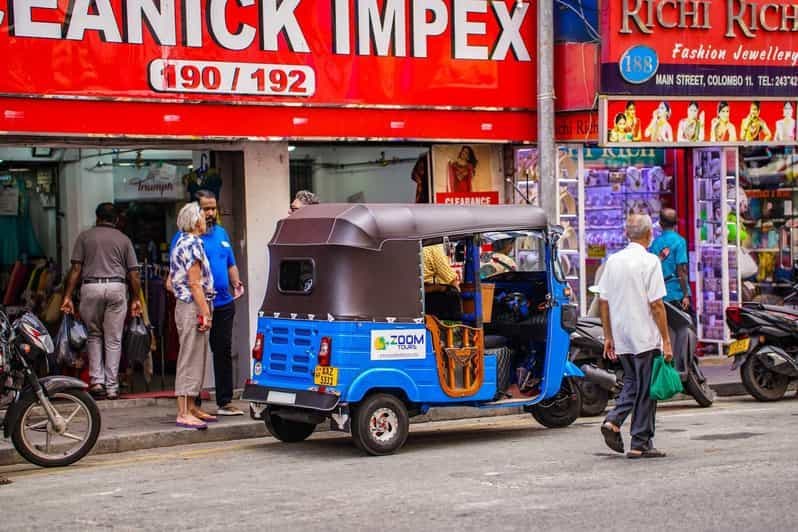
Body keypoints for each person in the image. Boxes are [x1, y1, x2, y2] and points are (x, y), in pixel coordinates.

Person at [598, 214, 672, 459]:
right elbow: (657, 305)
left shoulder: (613, 261)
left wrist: (609, 335)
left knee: (633, 383)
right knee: (646, 388)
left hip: (623, 335)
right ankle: (637, 438)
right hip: (644, 335)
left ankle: (621, 427)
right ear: (649, 235)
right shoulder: (650, 262)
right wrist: (666, 340)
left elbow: (603, 301)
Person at [169, 190, 244, 416]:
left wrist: (236, 282)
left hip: (221, 302)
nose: (210, 213)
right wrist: (194, 303)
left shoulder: (221, 233)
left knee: (221, 351)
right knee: (193, 355)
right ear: (196, 211)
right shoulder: (188, 239)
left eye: (213, 208)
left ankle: (224, 400)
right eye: (206, 209)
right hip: (200, 305)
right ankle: (191, 406)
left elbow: (230, 262)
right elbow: (181, 278)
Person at [61, 203, 142, 400]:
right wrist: (136, 299)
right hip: (116, 287)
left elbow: (76, 270)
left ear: (97, 218)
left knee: (93, 335)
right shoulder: (124, 239)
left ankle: (97, 382)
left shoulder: (84, 237)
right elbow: (134, 274)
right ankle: (112, 387)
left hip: (90, 288)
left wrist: (67, 296)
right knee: (113, 339)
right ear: (116, 220)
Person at [170, 202, 216, 429]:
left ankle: (190, 407)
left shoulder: (181, 242)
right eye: (201, 216)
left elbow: (172, 282)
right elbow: (195, 282)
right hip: (193, 305)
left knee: (196, 356)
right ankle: (183, 411)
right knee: (190, 356)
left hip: (186, 303)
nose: (205, 220)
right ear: (195, 221)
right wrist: (205, 311)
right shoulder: (193, 244)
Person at [649, 209, 691, 310]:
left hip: (660, 295)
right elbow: (681, 270)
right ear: (676, 222)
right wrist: (685, 295)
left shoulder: (655, 243)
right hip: (677, 294)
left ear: (660, 223)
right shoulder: (680, 241)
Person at [422, 244, 461, 320]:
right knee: (452, 291)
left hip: (413, 293)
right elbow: (449, 277)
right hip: (427, 297)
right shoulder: (433, 247)